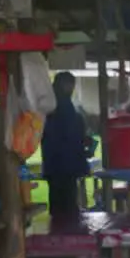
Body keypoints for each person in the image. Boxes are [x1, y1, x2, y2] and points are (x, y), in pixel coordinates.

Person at [41, 71, 90, 222]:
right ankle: (63, 237)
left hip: (59, 163)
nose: (71, 88)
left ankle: (61, 234)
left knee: (61, 204)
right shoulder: (56, 106)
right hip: (62, 163)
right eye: (69, 85)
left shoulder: (54, 104)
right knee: (64, 205)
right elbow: (65, 133)